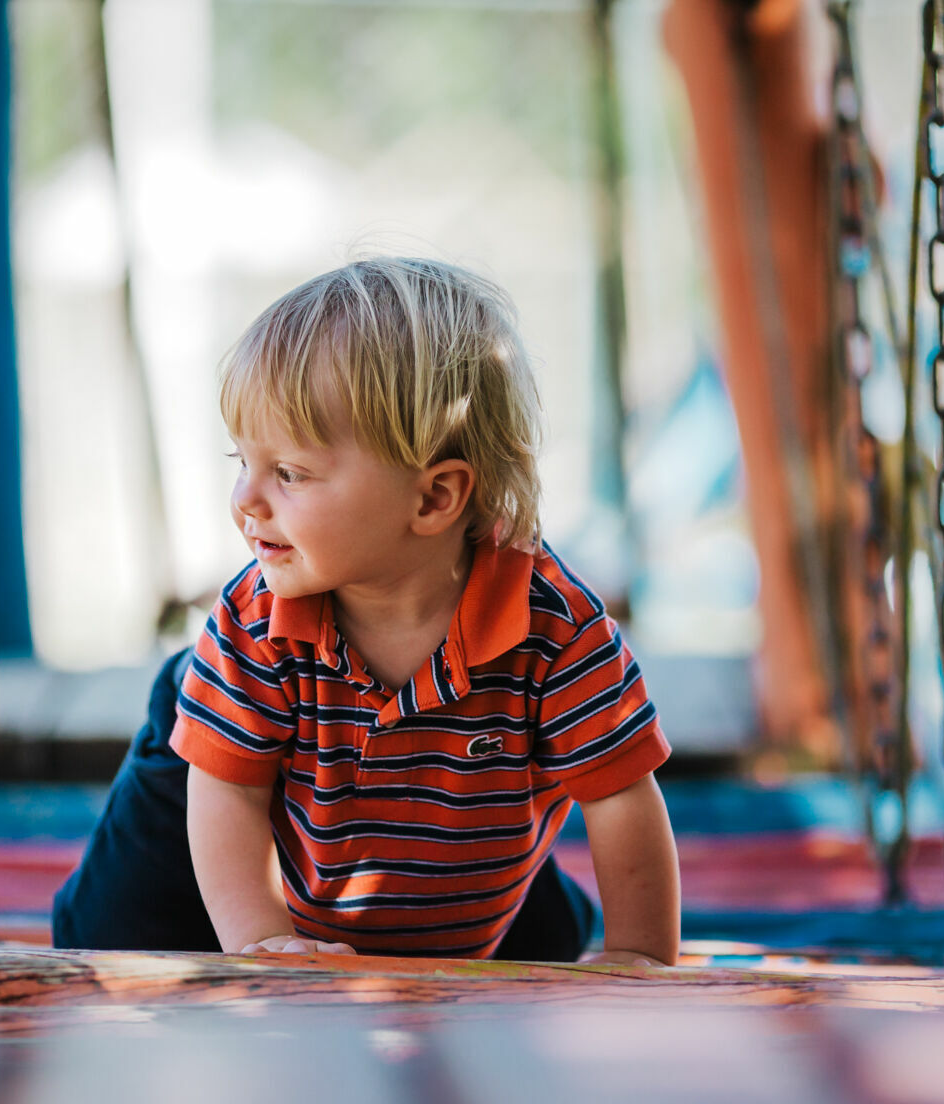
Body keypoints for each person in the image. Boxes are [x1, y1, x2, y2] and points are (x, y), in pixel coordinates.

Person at [54, 258, 680, 964]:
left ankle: (524, 899)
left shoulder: (555, 630)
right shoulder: (256, 622)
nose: (245, 500)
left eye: (288, 473)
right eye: (242, 463)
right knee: (108, 945)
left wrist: (639, 958)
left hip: (459, 820)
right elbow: (228, 794)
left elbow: (620, 796)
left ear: (434, 498)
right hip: (215, 779)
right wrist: (264, 942)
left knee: (540, 940)